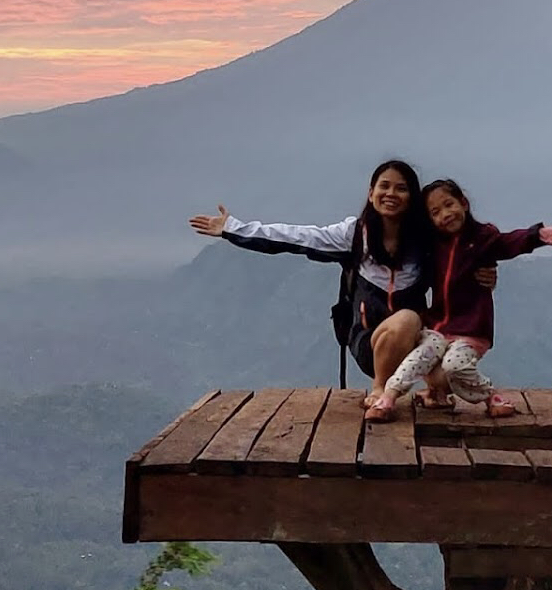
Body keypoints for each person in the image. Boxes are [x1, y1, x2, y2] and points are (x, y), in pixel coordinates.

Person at [189, 160, 494, 410]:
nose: (391, 193)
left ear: (412, 198)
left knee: (445, 375)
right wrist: (232, 229)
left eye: (401, 188)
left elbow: (462, 256)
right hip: (370, 343)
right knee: (407, 319)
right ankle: (379, 390)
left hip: (417, 346)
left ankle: (433, 393)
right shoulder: (354, 235)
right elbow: (296, 237)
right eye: (384, 186)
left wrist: (485, 272)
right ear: (371, 191)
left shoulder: (424, 243)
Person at [365, 178, 552, 421]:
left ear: (464, 203)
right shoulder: (433, 245)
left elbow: (518, 240)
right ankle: (388, 399)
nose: (445, 215)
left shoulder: (483, 239)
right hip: (438, 327)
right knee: (417, 359)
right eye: (435, 212)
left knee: (455, 367)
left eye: (449, 205)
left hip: (471, 329)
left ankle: (491, 397)